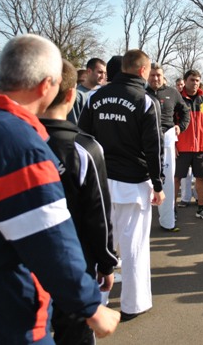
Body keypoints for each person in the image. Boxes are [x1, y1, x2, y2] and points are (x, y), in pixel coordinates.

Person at [0, 34, 120, 343]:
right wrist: (90, 306)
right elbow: (50, 238)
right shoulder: (20, 144)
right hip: (8, 311)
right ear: (46, 85)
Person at [78, 49, 164, 320]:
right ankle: (133, 303)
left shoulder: (95, 98)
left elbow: (83, 139)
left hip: (100, 181)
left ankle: (96, 301)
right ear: (142, 70)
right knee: (134, 245)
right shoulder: (146, 101)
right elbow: (153, 148)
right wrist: (158, 184)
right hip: (132, 183)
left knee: (100, 245)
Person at [39, 61, 118, 343]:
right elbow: (98, 214)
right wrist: (106, 263)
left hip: (21, 266)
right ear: (72, 94)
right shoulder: (84, 148)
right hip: (74, 263)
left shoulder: (8, 140)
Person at [146, 64, 190, 232]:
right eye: (152, 75)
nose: (155, 78)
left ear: (163, 76)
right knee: (145, 182)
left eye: (158, 75)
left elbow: (185, 112)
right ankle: (142, 222)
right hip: (145, 142)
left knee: (167, 182)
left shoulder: (172, 92)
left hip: (167, 141)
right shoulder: (141, 92)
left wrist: (181, 126)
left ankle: (167, 221)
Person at [174, 70, 203, 221]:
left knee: (201, 178)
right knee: (176, 178)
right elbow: (170, 123)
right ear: (185, 81)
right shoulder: (177, 100)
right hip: (182, 148)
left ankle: (201, 208)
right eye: (192, 80)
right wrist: (173, 144)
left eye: (197, 80)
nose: (195, 83)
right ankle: (171, 209)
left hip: (201, 148)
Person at [68, 58, 107, 124]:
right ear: (89, 71)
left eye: (105, 73)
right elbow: (74, 124)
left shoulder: (104, 93)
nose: (103, 76)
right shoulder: (77, 95)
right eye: (100, 72)